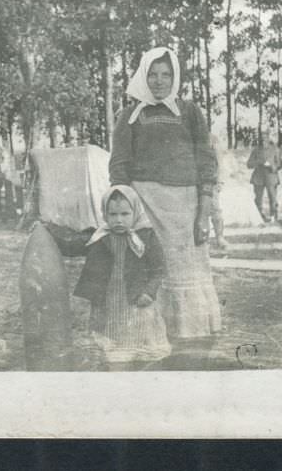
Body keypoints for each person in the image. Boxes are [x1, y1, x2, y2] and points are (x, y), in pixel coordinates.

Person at [109, 47, 221, 358]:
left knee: (185, 269)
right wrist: (125, 209)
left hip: (185, 206)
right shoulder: (129, 116)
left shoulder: (190, 112)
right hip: (145, 205)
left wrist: (204, 210)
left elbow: (206, 161)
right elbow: (119, 166)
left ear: (175, 78)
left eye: (166, 75)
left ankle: (188, 339)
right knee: (149, 265)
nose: (159, 81)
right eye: (153, 75)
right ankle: (149, 335)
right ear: (143, 78)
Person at [73, 185, 170, 369]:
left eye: (125, 214)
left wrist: (149, 292)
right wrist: (47, 229)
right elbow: (71, 243)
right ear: (105, 214)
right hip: (108, 298)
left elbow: (158, 269)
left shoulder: (146, 236)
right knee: (110, 338)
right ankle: (114, 358)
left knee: (137, 335)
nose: (118, 220)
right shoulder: (99, 237)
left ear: (136, 212)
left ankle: (136, 360)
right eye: (113, 214)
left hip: (135, 299)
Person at [247, 133, 282, 222]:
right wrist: (259, 162)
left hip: (271, 176)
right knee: (258, 198)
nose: (263, 141)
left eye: (265, 139)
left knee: (272, 197)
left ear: (268, 139)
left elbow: (279, 164)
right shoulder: (256, 150)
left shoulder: (275, 149)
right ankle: (259, 217)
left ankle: (273, 216)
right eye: (261, 139)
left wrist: (272, 166)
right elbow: (249, 164)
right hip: (258, 177)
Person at [208, 134, 230, 249]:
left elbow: (220, 162)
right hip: (194, 180)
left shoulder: (212, 138)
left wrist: (220, 180)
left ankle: (219, 237)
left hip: (210, 180)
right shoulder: (189, 135)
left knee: (215, 210)